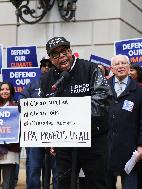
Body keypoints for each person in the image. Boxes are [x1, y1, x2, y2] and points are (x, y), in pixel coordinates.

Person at [39, 37, 112, 189]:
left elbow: (104, 98)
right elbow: (45, 112)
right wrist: (50, 138)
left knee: (96, 183)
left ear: (71, 52)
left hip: (94, 140)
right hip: (64, 144)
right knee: (63, 183)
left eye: (65, 51)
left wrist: (74, 114)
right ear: (51, 60)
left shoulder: (90, 68)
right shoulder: (46, 80)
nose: (62, 57)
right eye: (56, 55)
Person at [107, 55, 142, 189]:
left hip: (130, 148)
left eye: (123, 63)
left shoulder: (140, 91)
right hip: (106, 147)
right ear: (112, 69)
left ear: (129, 67)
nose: (120, 66)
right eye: (117, 64)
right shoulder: (102, 88)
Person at [18, 57, 57, 189]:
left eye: (49, 65)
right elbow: (21, 103)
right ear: (40, 68)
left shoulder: (60, 83)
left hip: (55, 134)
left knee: (56, 170)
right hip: (35, 135)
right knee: (34, 168)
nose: (46, 67)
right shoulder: (32, 84)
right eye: (44, 65)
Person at [0, 82, 20, 189]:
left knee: (8, 184)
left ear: (11, 92)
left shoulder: (17, 108)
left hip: (10, 149)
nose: (4, 91)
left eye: (7, 89)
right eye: (2, 89)